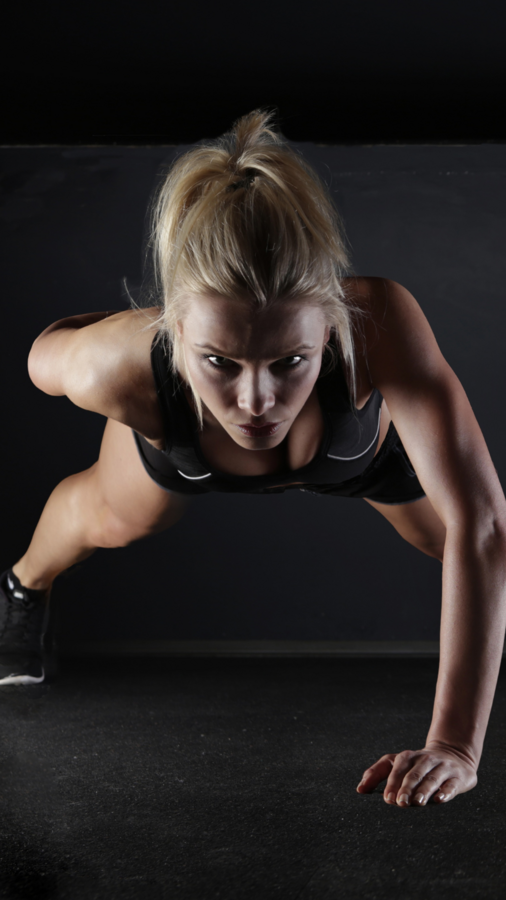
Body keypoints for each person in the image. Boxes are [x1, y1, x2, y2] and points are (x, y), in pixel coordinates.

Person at [1, 109, 505, 811]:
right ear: (176, 327)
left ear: (330, 325)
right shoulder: (110, 366)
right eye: (221, 361)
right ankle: (22, 589)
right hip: (184, 450)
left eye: (290, 361)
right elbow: (43, 353)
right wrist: (134, 337)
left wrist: (454, 743)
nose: (257, 402)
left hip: (356, 458)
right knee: (111, 520)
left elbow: (484, 525)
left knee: (461, 543)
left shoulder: (379, 323)